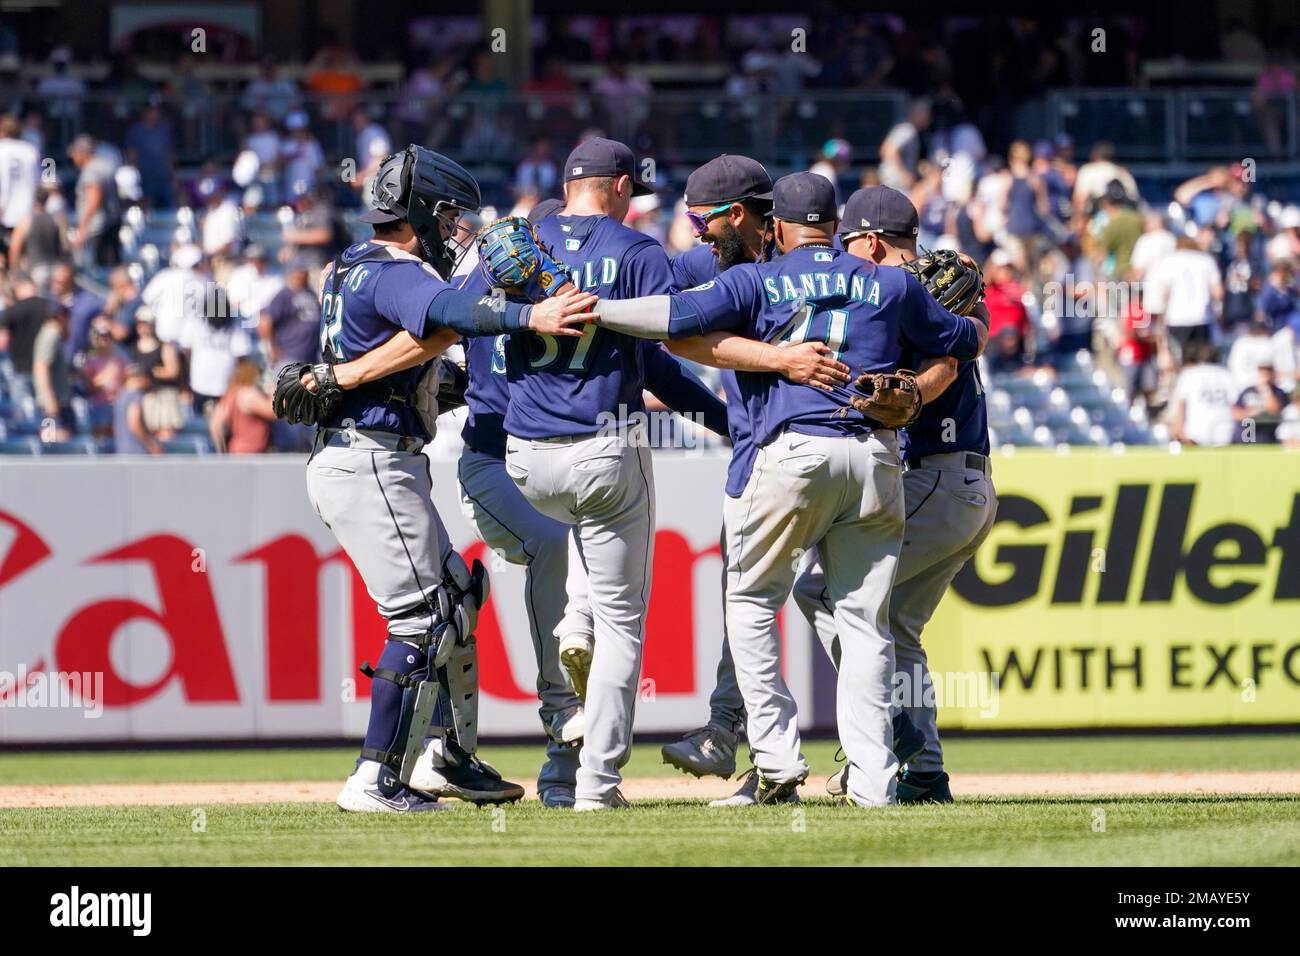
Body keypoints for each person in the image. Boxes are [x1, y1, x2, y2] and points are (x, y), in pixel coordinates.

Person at [586, 174, 984, 807]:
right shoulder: (891, 281)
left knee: (748, 601)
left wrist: (592, 309)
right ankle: (877, 781)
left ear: (774, 228)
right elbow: (967, 338)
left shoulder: (756, 279)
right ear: (835, 226)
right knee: (867, 624)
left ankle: (775, 757)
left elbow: (671, 322)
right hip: (875, 458)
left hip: (792, 451)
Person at [276, 145, 598, 813]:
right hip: (370, 458)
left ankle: (447, 755)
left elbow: (419, 356)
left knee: (457, 594)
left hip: (371, 452)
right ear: (421, 210)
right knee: (424, 617)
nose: (457, 232)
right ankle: (375, 777)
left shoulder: (356, 268)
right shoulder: (394, 270)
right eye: (450, 217)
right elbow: (454, 316)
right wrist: (527, 315)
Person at [67, 135, 123, 268]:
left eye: (74, 154)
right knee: (112, 264)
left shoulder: (91, 171)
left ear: (82, 153)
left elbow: (94, 201)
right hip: (113, 222)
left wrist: (82, 230)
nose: (73, 158)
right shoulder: (107, 165)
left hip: (98, 227)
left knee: (99, 268)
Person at [1169, 341, 1235, 446]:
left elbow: (1181, 406)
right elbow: (1235, 403)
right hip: (1225, 428)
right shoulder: (1226, 374)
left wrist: (1177, 430)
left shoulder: (1189, 374)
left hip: (1197, 428)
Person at [258, 260, 318, 367]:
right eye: (298, 271)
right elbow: (265, 322)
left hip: (313, 357)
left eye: (304, 272)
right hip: (289, 357)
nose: (301, 275)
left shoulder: (311, 293)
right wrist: (271, 349)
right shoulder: (284, 295)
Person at [210, 358, 275, 453]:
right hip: (251, 452)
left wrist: (222, 451)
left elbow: (215, 424)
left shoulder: (232, 394)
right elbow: (273, 412)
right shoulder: (248, 394)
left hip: (236, 449)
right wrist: (273, 389)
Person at [0, 113, 39, 257]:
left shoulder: (2, 148)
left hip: (5, 210)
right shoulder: (31, 149)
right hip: (28, 208)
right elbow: (41, 177)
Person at [1232, 360, 1290, 444]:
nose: (1265, 374)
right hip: (1244, 437)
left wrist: (1265, 389)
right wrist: (1248, 414)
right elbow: (1235, 412)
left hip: (1265, 438)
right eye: (1262, 371)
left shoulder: (1278, 392)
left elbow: (1275, 409)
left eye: (1268, 371)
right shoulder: (1248, 390)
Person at [113, 363, 162, 454]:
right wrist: (150, 445)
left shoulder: (120, 396)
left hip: (122, 450)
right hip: (137, 451)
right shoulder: (135, 396)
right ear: (142, 378)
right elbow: (134, 423)